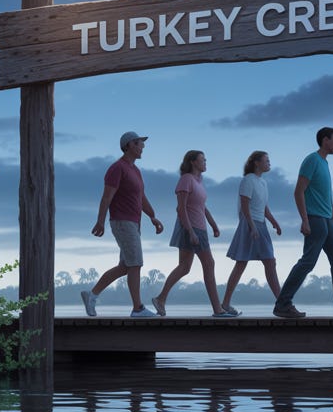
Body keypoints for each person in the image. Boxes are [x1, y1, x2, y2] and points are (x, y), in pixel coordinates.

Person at [273, 127, 333, 319]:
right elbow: (299, 191)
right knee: (308, 261)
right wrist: (304, 220)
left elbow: (324, 191)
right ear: (326, 140)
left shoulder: (324, 163)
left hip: (326, 219)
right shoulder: (312, 160)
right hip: (315, 219)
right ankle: (283, 304)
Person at [81, 131, 165, 317]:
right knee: (136, 263)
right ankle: (137, 308)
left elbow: (141, 197)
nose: (143, 146)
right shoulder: (117, 168)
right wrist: (100, 222)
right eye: (139, 143)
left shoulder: (135, 171)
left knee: (125, 266)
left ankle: (91, 295)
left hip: (134, 223)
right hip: (122, 222)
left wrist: (152, 217)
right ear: (129, 145)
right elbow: (106, 197)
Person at [151, 150, 235, 317]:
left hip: (200, 228)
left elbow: (201, 206)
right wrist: (191, 232)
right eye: (202, 160)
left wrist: (213, 224)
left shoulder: (199, 180)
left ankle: (160, 298)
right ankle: (218, 309)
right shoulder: (186, 180)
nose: (205, 162)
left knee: (184, 267)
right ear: (193, 162)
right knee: (209, 264)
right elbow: (181, 209)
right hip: (191, 228)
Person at [221, 151, 283, 314]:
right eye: (266, 160)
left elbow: (264, 207)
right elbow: (244, 206)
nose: (269, 163)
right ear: (256, 162)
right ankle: (282, 302)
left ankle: (281, 301)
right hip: (250, 224)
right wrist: (251, 226)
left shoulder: (262, 182)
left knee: (269, 261)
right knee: (244, 263)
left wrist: (274, 222)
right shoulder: (248, 180)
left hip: (261, 224)